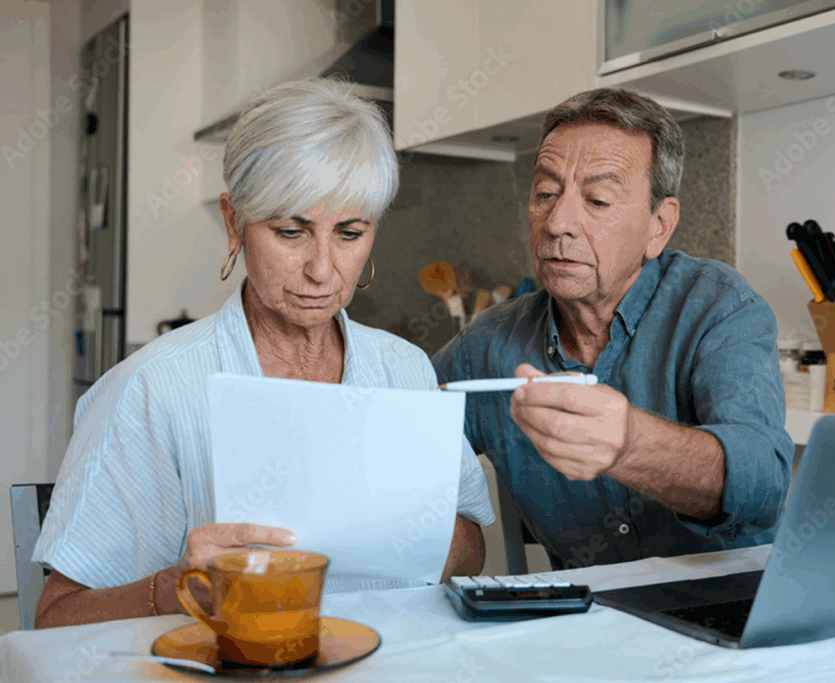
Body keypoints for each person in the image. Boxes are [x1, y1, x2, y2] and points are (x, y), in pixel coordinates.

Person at [33, 78, 494, 628]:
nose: (322, 270)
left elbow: (468, 549)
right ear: (235, 223)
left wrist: (417, 534)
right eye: (290, 231)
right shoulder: (152, 389)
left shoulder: (405, 369)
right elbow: (55, 619)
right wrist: (183, 587)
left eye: (349, 233)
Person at [432, 88, 792, 570]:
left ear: (658, 227)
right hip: (588, 622)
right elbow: (393, 438)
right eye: (544, 194)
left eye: (597, 199)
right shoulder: (489, 342)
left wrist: (631, 443)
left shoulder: (718, 307)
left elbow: (763, 483)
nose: (558, 222)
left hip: (729, 610)